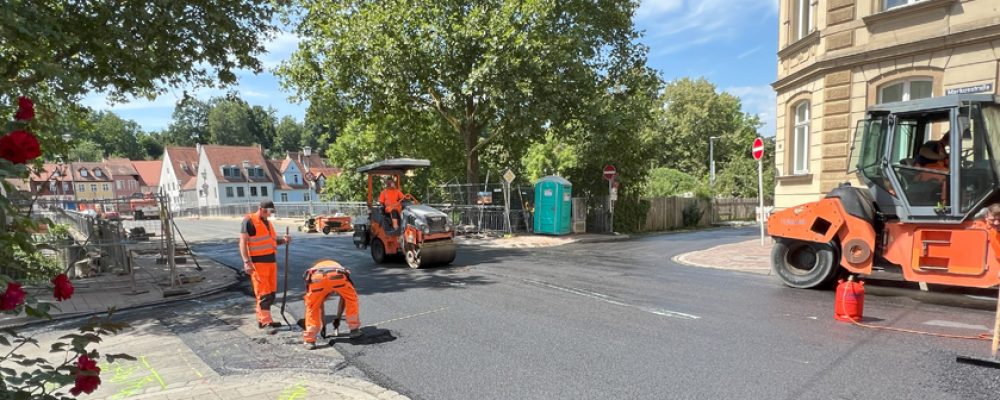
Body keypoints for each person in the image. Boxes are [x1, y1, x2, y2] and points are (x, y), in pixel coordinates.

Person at [239, 200, 291, 329]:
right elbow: (242, 243)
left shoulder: (267, 222)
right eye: (269, 212)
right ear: (261, 209)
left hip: (271, 262)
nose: (271, 214)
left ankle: (263, 319)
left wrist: (283, 240)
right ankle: (266, 321)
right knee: (263, 293)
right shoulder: (249, 221)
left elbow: (271, 241)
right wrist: (247, 262)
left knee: (271, 293)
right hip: (258, 263)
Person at [302, 259, 362, 349]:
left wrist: (324, 326)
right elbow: (344, 300)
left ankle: (310, 341)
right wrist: (337, 318)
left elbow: (320, 306)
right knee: (351, 299)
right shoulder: (335, 266)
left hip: (317, 278)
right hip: (337, 275)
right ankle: (354, 330)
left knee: (312, 306)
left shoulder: (315, 269)